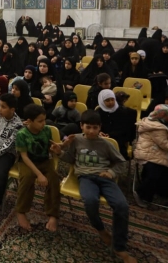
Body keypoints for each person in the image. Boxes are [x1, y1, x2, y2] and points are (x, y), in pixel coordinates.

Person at [60, 110, 135, 263]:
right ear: (81, 126)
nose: (92, 131)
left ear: (100, 127)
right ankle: (101, 230)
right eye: (88, 127)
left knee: (122, 206)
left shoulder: (106, 144)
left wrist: (111, 172)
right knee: (90, 201)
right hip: (85, 177)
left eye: (95, 127)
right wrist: (59, 152)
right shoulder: (76, 140)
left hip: (104, 178)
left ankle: (119, 247)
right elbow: (70, 159)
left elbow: (121, 162)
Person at [16, 104, 62, 231]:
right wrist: (39, 175)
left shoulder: (46, 130)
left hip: (44, 160)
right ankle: (21, 211)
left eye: (44, 120)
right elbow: (24, 157)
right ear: (29, 121)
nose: (43, 124)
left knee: (54, 179)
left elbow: (51, 148)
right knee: (27, 178)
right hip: (27, 162)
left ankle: (53, 214)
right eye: (40, 121)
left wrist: (59, 148)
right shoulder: (22, 134)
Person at [97, 89, 137, 158]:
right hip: (101, 139)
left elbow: (125, 130)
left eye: (112, 99)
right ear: (102, 101)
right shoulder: (98, 112)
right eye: (107, 100)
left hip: (118, 139)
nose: (111, 102)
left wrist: (110, 135)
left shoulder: (122, 112)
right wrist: (99, 132)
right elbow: (96, 126)